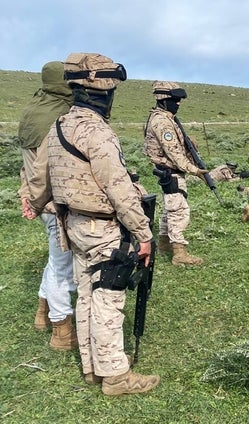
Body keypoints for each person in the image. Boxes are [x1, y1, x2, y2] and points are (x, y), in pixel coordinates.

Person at [27, 52, 160, 395]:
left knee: (86, 296)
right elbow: (119, 190)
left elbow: (39, 182)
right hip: (102, 228)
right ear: (105, 93)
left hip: (74, 226)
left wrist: (37, 204)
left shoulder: (58, 127)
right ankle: (116, 375)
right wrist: (144, 235)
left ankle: (92, 368)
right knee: (108, 299)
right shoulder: (97, 133)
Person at [17, 60, 76, 350]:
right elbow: (43, 169)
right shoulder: (58, 115)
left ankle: (43, 313)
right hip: (54, 203)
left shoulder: (34, 109)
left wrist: (26, 195)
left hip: (39, 198)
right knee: (64, 267)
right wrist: (40, 201)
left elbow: (27, 166)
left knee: (56, 261)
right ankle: (61, 330)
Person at [143, 81, 207, 265]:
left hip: (170, 171)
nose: (178, 103)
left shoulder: (166, 117)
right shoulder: (162, 122)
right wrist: (195, 170)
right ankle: (179, 253)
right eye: (175, 99)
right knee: (179, 211)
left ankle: (163, 244)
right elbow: (174, 153)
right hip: (170, 172)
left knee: (170, 209)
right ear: (163, 99)